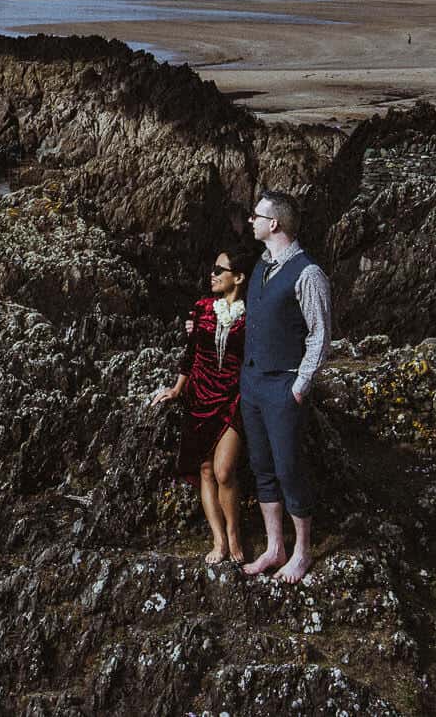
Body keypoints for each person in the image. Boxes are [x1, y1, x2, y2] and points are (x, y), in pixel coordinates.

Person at [238, 189, 331, 583]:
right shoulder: (261, 266)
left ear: (273, 224)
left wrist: (300, 385)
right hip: (253, 383)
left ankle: (301, 552)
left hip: (283, 387)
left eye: (256, 216)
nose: (250, 222)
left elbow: (320, 334)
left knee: (289, 468)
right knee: (262, 467)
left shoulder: (308, 273)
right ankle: (275, 547)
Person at [149, 252, 249, 563]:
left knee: (224, 470)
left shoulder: (252, 314)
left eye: (220, 269)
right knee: (205, 469)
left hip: (233, 397)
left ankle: (234, 533)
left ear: (239, 277)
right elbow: (190, 353)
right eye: (212, 267)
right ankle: (218, 540)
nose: (213, 273)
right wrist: (177, 388)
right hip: (199, 395)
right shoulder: (202, 308)